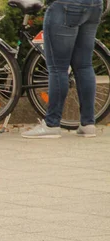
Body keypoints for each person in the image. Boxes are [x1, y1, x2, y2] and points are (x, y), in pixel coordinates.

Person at [22, 0, 102, 139]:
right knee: (84, 65)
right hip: (94, 5)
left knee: (58, 68)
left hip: (65, 6)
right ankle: (88, 124)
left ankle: (52, 124)